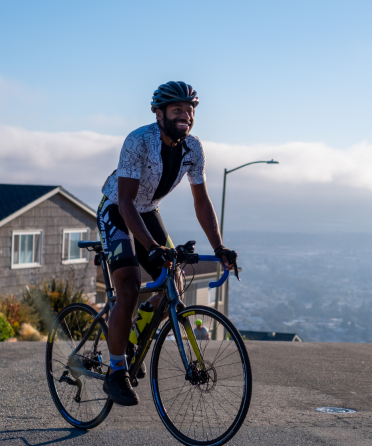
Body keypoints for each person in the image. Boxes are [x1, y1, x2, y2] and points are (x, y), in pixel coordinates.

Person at [97, 81, 237, 406]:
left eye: (189, 110)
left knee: (172, 282)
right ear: (159, 113)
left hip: (147, 211)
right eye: (177, 109)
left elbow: (201, 201)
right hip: (117, 210)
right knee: (130, 286)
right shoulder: (138, 141)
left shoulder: (194, 149)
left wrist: (218, 247)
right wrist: (150, 247)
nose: (185, 116)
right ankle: (115, 371)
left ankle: (132, 337)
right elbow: (127, 202)